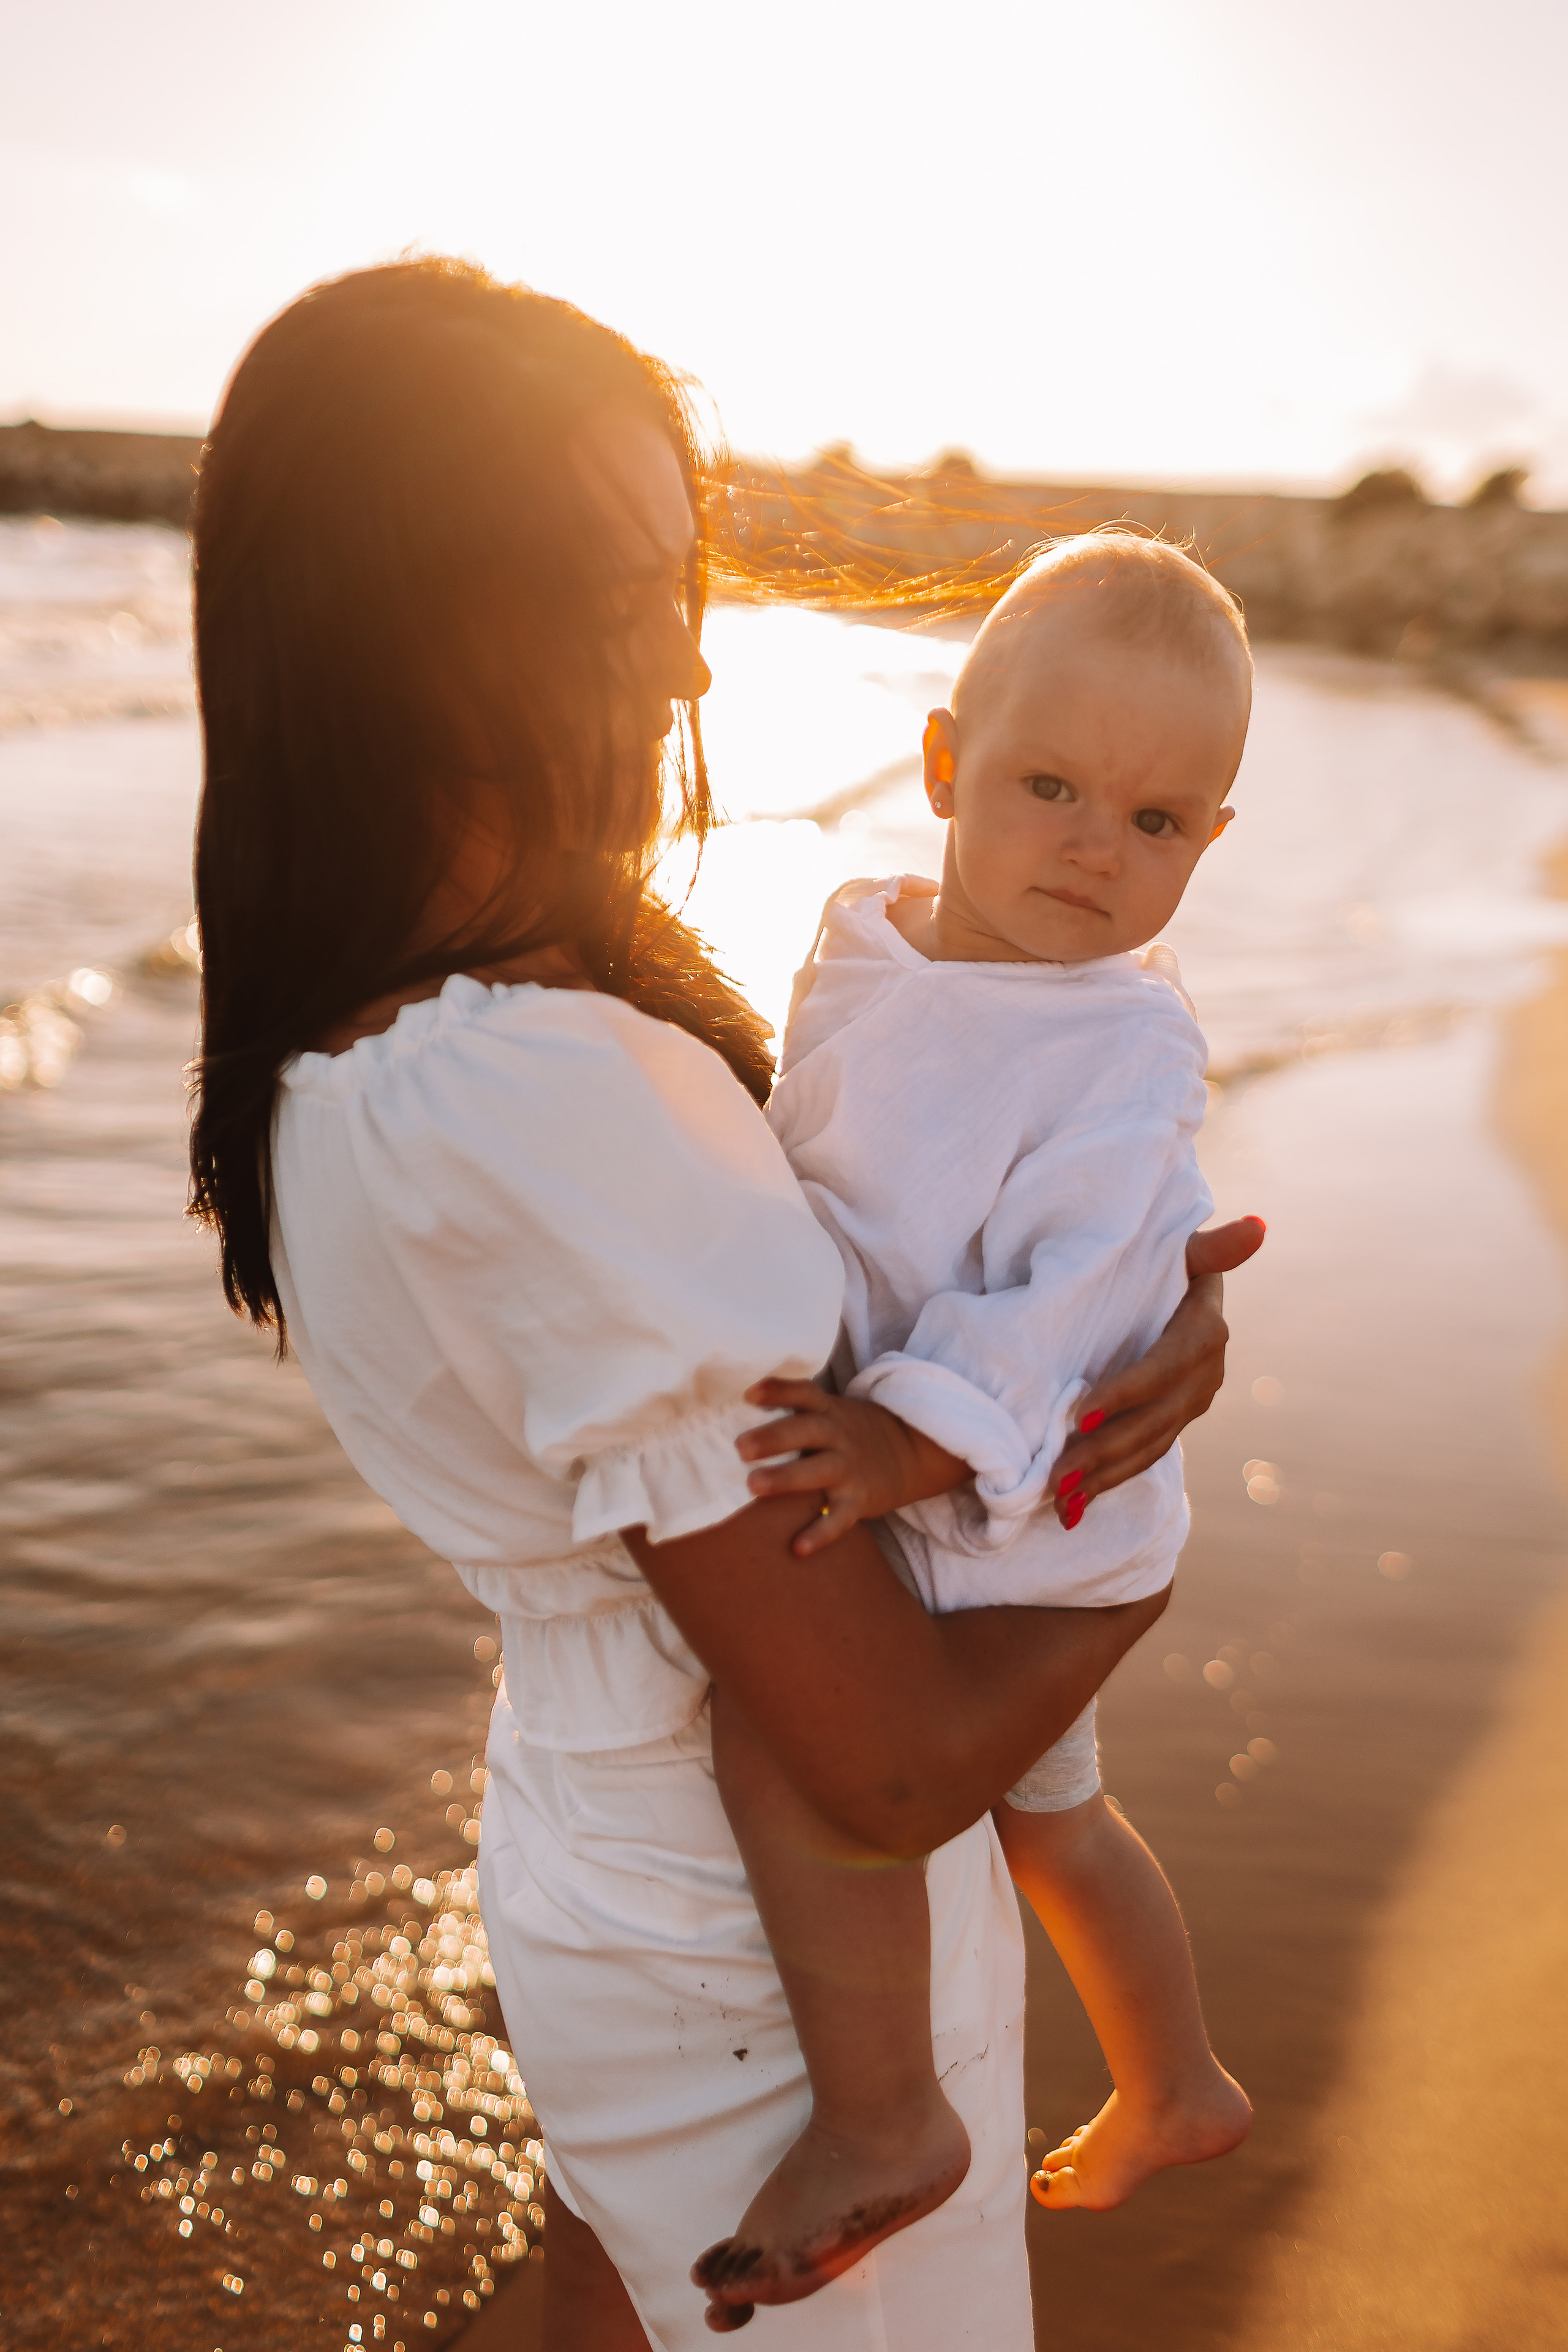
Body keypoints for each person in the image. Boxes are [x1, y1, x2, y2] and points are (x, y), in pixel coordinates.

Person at [187, 256, 1262, 2352]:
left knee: (606, 2291)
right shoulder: (528, 1092)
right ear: (416, 622)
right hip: (767, 1954)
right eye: (613, 593)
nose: (681, 653)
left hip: (631, 1864)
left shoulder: (424, 1037)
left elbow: (895, 1250)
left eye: (676, 580)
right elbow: (888, 1766)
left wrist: (1133, 1321)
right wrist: (1128, 1560)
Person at [693, 535, 1257, 2329]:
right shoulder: (859, 942)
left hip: (1025, 1508)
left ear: (1209, 843)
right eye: (1049, 788)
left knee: (806, 1744)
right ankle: (1176, 2086)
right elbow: (820, 1147)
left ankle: (890, 2118)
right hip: (953, 1484)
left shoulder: (1122, 1051)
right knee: (1052, 1824)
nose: (1095, 848)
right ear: (943, 767)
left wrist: (902, 1448)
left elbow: (1066, 1298)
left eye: (1156, 822)